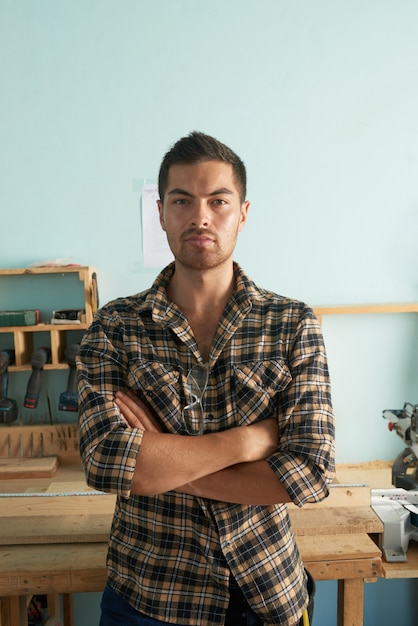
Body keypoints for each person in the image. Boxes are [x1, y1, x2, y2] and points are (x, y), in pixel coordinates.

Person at [77, 131, 335, 626]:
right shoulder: (116, 326)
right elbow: (108, 463)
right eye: (182, 201)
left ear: (242, 212)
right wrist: (250, 440)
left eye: (218, 201)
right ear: (161, 213)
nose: (200, 217)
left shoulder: (292, 324)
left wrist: (163, 461)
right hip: (148, 597)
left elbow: (309, 473)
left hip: (267, 593)